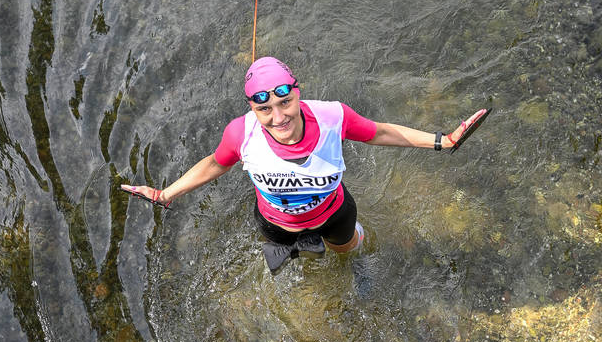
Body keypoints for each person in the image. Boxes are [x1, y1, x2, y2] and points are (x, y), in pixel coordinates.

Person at [122, 57, 490, 274]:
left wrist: (443, 141)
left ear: (297, 92)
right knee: (298, 266)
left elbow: (380, 132)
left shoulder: (333, 117)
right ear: (252, 107)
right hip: (275, 223)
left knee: (349, 254)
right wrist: (166, 193)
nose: (278, 117)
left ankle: (355, 268)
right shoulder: (241, 133)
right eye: (263, 108)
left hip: (334, 214)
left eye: (285, 102)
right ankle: (302, 248)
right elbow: (214, 164)